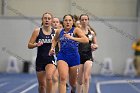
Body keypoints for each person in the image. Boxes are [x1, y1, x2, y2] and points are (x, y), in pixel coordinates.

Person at [49, 14, 89, 93]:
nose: (68, 22)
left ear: (72, 22)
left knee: (73, 83)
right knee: (63, 79)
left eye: (69, 20)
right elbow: (54, 40)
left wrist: (72, 38)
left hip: (74, 57)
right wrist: (52, 48)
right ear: (63, 22)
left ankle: (73, 90)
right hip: (62, 56)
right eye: (66, 20)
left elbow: (86, 40)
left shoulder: (76, 30)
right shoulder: (60, 31)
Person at [28, 12, 56, 93]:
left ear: (51, 21)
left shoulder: (55, 32)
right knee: (42, 85)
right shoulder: (37, 31)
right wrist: (36, 44)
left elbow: (60, 44)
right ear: (42, 20)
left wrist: (55, 50)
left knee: (49, 77)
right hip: (40, 60)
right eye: (45, 18)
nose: (47, 20)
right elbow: (29, 45)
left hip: (51, 59)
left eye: (49, 18)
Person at [77, 14, 98, 93]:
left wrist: (94, 46)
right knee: (79, 80)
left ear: (88, 21)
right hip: (78, 56)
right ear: (80, 21)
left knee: (86, 78)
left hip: (88, 56)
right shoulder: (77, 32)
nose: (84, 21)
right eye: (82, 20)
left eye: (86, 19)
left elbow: (96, 44)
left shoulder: (91, 33)